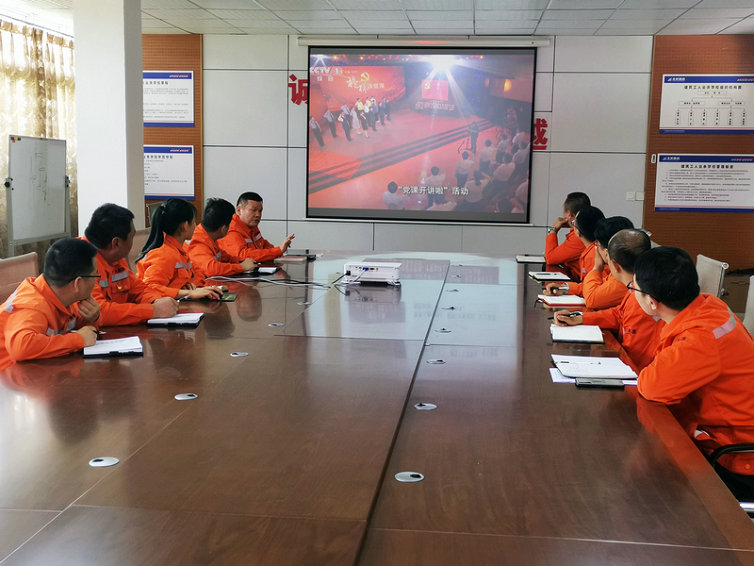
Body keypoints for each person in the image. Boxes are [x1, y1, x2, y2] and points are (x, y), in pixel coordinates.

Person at [632, 247, 754, 498]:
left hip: (736, 457)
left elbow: (652, 386)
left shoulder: (699, 339)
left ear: (652, 302)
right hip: (720, 432)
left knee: (647, 488)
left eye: (633, 289)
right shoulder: (709, 305)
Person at [553, 229, 663, 370]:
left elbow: (639, 358)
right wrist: (580, 318)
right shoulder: (636, 286)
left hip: (637, 372)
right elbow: (619, 314)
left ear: (614, 265)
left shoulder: (644, 296)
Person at [0, 238, 101, 367]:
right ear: (78, 283)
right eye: (95, 276)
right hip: (7, 374)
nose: (97, 281)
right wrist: (78, 340)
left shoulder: (63, 296)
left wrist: (93, 318)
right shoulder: (32, 305)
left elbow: (85, 332)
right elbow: (21, 347)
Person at [84, 203, 178, 326]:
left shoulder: (114, 257)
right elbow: (99, 312)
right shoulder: (80, 261)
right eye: (132, 237)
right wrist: (152, 311)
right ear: (116, 243)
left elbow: (139, 289)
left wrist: (155, 301)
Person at [136, 198, 223, 300]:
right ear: (185, 226)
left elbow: (198, 273)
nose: (195, 226)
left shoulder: (180, 249)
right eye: (193, 222)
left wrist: (190, 285)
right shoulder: (163, 253)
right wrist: (187, 292)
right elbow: (150, 288)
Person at [186, 198, 257, 277]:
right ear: (223, 228)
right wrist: (241, 267)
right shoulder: (197, 242)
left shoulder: (208, 235)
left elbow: (223, 257)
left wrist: (241, 261)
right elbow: (211, 269)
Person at [544, 205, 604, 296]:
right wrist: (566, 288)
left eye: (574, 223)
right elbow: (587, 286)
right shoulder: (593, 249)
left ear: (578, 232)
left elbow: (550, 258)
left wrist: (553, 230)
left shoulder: (594, 254)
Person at [218, 192, 295, 263]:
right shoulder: (231, 229)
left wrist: (278, 251)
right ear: (239, 210)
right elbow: (242, 256)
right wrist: (278, 251)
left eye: (260, 211)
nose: (258, 215)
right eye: (253, 210)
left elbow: (264, 245)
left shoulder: (252, 226)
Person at [578, 216, 634, 309]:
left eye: (597, 244)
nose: (596, 248)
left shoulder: (625, 275)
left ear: (607, 252)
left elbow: (592, 299)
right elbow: (598, 286)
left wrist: (596, 267)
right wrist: (566, 288)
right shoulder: (623, 265)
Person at [544, 192, 590, 281]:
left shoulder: (579, 236)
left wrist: (553, 230)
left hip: (582, 283)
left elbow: (550, 258)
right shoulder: (587, 230)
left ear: (569, 214)